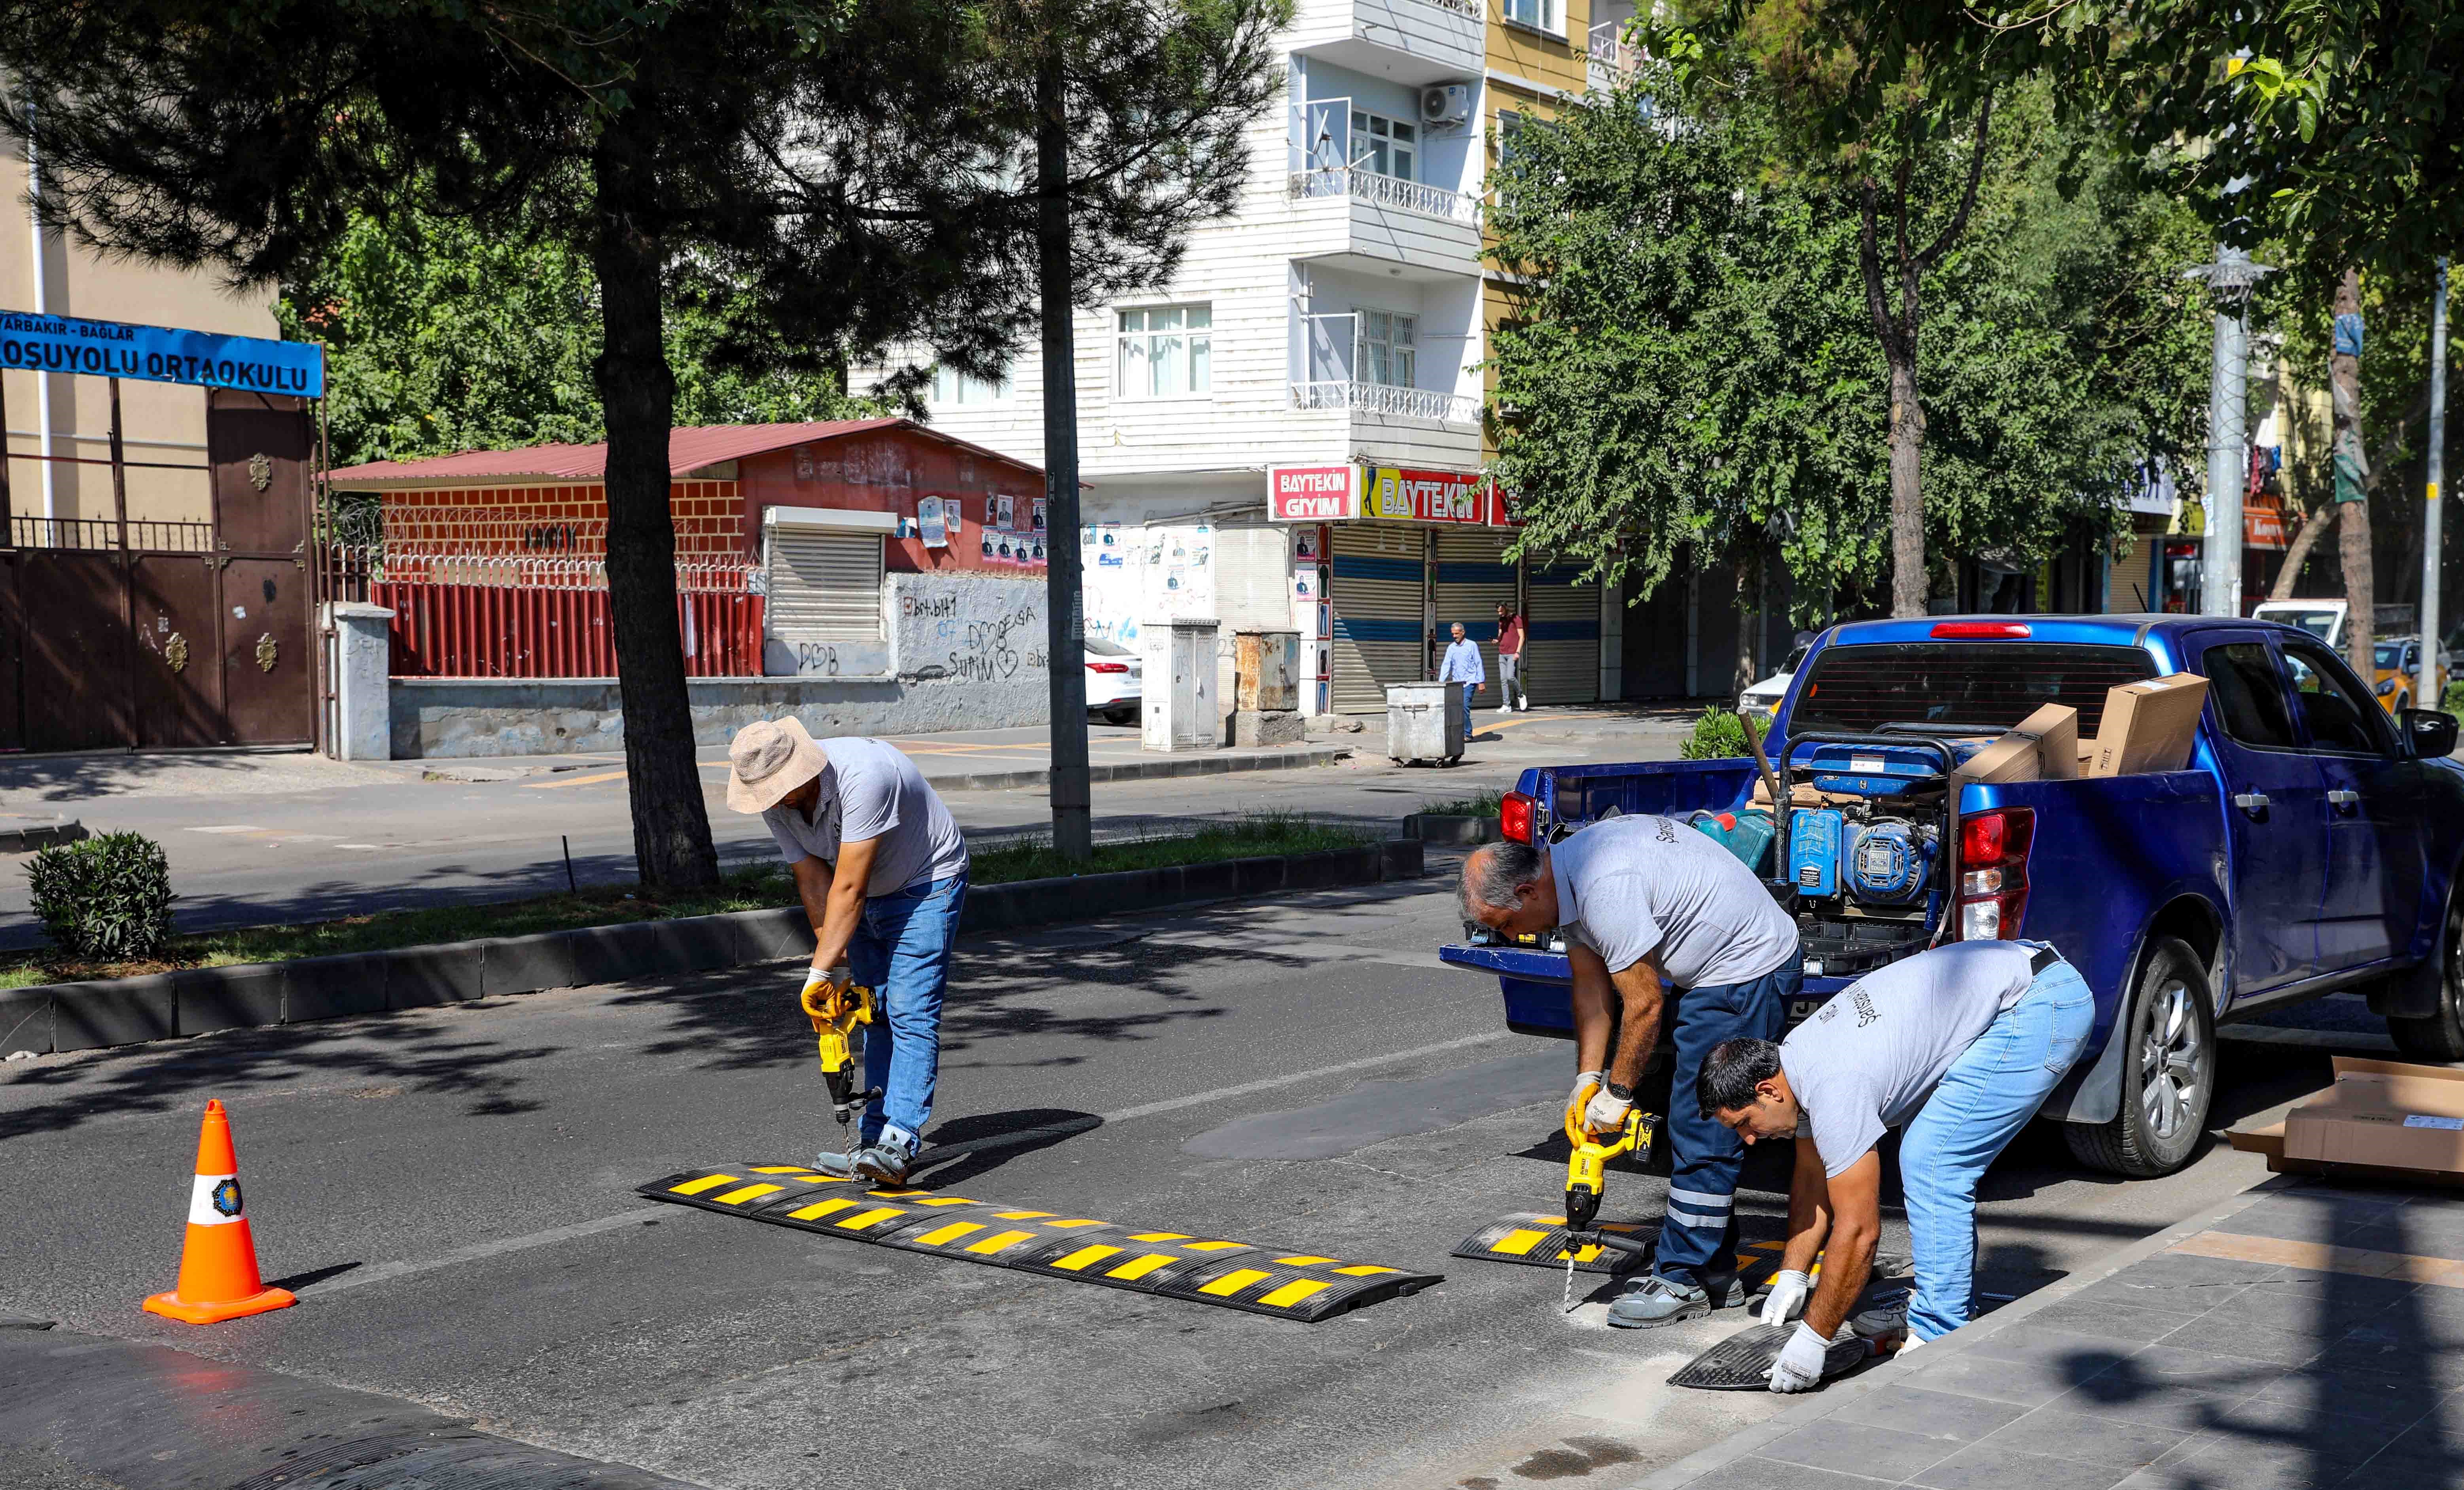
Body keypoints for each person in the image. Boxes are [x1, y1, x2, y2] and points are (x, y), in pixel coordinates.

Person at [1697, 940, 2094, 1392]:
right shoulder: (1797, 1060)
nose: (1749, 1139)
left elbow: (1861, 1231)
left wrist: (1813, 1338)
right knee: (1926, 1146)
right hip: (2019, 983)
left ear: (1769, 1091)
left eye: (1746, 1123)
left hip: (2041, 1002)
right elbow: (1812, 1176)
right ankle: (1934, 1299)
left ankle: (1940, 1327)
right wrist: (1793, 1272)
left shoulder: (1835, 1087)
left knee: (1932, 1159)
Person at [1460, 820, 1802, 1326]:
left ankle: (1682, 1278)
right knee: (1694, 1125)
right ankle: (1714, 1272)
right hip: (1711, 968)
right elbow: (1591, 994)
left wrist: (1618, 1094)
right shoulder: (1568, 875)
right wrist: (1587, 1080)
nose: (1513, 935)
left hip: (1745, 970)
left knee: (1705, 1125)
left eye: (1506, 923)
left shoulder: (1603, 888)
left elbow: (1643, 1004)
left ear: (1527, 890)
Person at [725, 716, 971, 1184]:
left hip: (926, 883)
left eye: (779, 789)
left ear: (800, 771)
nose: (772, 801)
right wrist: (832, 964)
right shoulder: (776, 800)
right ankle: (871, 1141)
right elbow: (813, 877)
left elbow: (850, 885)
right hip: (861, 892)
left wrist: (814, 974)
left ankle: (898, 1141)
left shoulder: (864, 776)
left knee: (909, 1010)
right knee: (872, 1011)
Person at [1438, 621, 1485, 738]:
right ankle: (1458, 733)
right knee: (1456, 708)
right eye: (1453, 634)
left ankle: (1468, 734)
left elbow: (1478, 663)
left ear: (1463, 632)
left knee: (1464, 706)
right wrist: (1440, 683)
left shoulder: (1472, 645)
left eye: (1457, 634)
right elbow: (1446, 665)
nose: (1455, 636)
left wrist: (1481, 682)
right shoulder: (1451, 648)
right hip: (1457, 683)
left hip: (1470, 681)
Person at [1496, 602, 1528, 713]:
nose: (1499, 613)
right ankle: (1506, 705)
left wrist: (1518, 652)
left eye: (1501, 611)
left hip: (1512, 653)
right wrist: (1497, 640)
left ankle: (1521, 695)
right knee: (1503, 680)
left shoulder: (1516, 619)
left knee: (1510, 677)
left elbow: (1522, 637)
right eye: (1498, 612)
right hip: (1502, 653)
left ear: (1506, 608)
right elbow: (1500, 636)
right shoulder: (1501, 620)